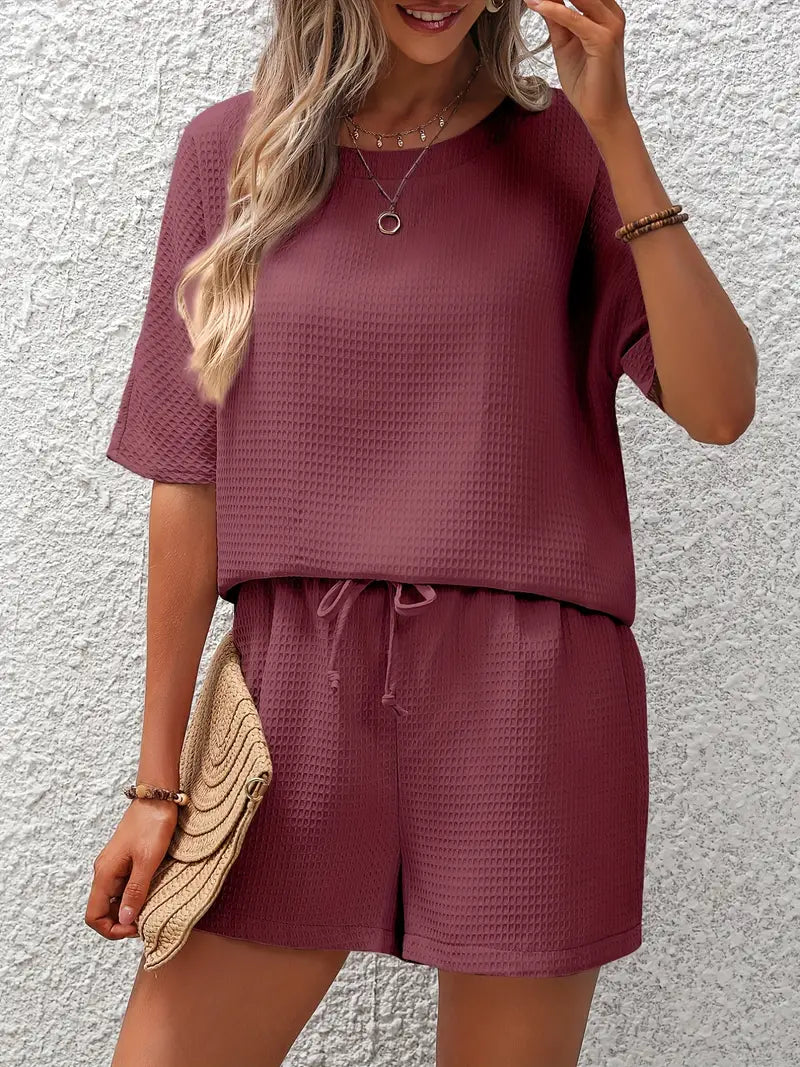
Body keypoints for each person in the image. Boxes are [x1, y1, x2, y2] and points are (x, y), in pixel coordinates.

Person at [86, 0, 758, 1064]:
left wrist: (615, 132)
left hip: (528, 698)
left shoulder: (567, 153)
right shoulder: (228, 152)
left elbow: (719, 407)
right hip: (293, 702)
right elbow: (189, 479)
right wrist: (157, 782)